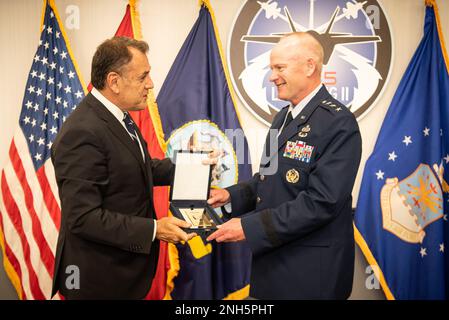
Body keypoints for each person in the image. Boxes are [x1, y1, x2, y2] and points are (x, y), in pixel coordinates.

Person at [207, 32, 362, 299]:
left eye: (280, 68)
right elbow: (266, 178)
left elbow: (322, 202)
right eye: (272, 68)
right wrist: (229, 195)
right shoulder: (283, 117)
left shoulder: (338, 122)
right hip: (274, 262)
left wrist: (248, 227)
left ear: (310, 66)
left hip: (310, 273)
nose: (272, 77)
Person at [51, 37, 197, 299]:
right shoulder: (83, 131)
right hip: (98, 280)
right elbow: (83, 218)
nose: (150, 84)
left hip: (122, 275)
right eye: (143, 77)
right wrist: (154, 229)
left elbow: (137, 167)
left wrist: (193, 164)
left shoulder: (116, 115)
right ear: (114, 82)